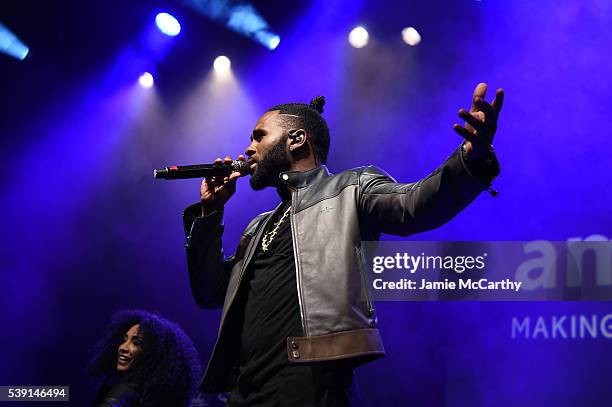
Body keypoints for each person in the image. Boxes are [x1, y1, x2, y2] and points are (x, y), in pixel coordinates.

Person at [182, 83, 504, 405]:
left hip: (310, 384)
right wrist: (210, 212)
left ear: (296, 139)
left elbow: (414, 205)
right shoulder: (258, 226)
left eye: (259, 136)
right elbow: (211, 292)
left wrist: (471, 157)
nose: (248, 148)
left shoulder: (350, 189)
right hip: (244, 392)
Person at [89, 309, 202, 406]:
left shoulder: (126, 391)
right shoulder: (151, 394)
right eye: (125, 339)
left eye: (136, 342)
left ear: (154, 353)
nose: (123, 347)